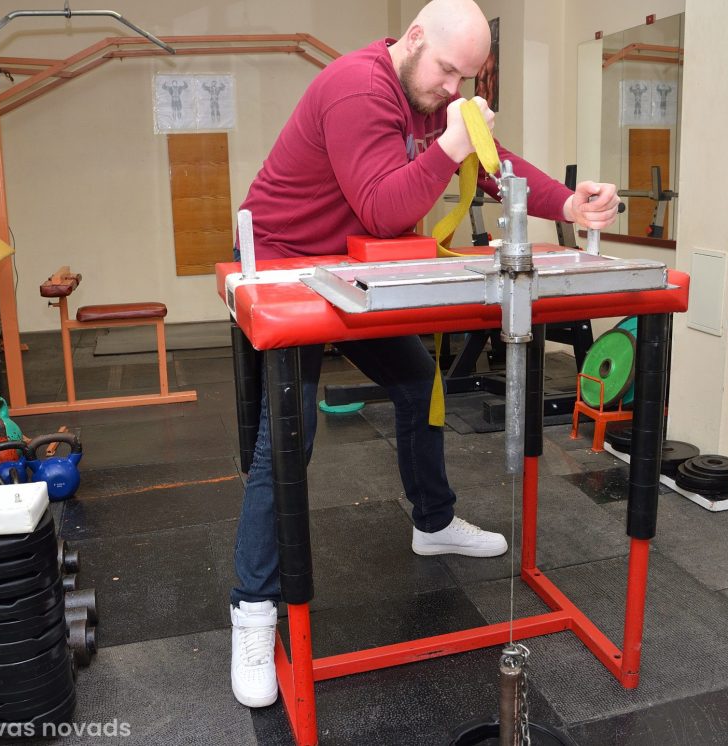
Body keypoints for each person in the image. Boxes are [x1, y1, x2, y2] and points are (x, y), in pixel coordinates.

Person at [228, 0, 620, 708]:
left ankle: (433, 523)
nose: (452, 89)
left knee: (416, 380)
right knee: (288, 433)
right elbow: (384, 208)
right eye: (446, 71)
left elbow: (495, 163)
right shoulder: (357, 87)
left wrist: (568, 205)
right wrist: (449, 148)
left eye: (465, 78)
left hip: (348, 267)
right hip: (286, 266)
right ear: (412, 40)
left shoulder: (430, 97)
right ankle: (252, 611)